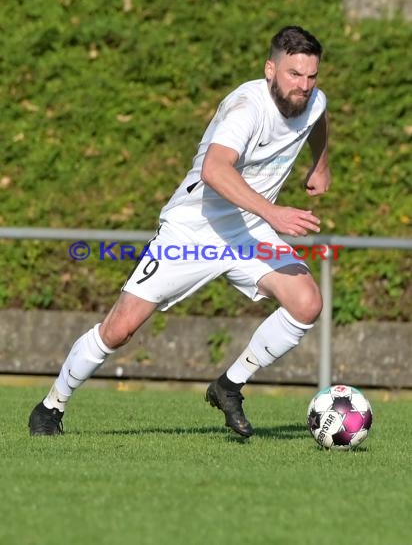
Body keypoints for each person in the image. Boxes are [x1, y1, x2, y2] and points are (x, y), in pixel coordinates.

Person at [29, 25, 330, 437]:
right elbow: (214, 169)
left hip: (249, 230)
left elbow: (318, 119)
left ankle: (229, 386)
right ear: (270, 70)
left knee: (306, 302)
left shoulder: (312, 101)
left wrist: (321, 165)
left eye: (311, 77)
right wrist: (275, 214)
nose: (304, 86)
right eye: (294, 74)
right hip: (193, 230)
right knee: (119, 329)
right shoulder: (246, 108)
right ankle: (51, 406)